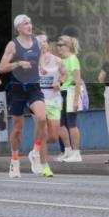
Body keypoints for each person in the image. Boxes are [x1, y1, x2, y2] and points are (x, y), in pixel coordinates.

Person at [0, 15, 51, 178]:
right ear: (18, 28)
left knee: (42, 119)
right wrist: (18, 63)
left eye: (30, 22)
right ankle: (14, 160)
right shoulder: (12, 45)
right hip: (17, 89)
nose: (29, 25)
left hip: (34, 87)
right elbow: (1, 68)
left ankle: (35, 151)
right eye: (25, 23)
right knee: (18, 129)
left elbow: (41, 55)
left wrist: (41, 66)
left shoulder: (37, 42)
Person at [36, 31, 66, 174]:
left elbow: (65, 74)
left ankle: (37, 147)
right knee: (43, 133)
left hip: (54, 100)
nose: (42, 44)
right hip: (38, 100)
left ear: (47, 44)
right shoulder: (32, 62)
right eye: (38, 42)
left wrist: (59, 81)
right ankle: (44, 166)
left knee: (53, 137)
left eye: (44, 42)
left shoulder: (57, 60)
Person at [55, 35, 83, 162]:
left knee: (71, 124)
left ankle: (77, 153)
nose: (58, 47)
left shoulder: (73, 59)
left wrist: (76, 100)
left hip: (71, 93)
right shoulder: (61, 61)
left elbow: (77, 81)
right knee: (60, 124)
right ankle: (67, 150)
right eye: (57, 45)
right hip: (61, 94)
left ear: (68, 46)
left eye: (61, 45)